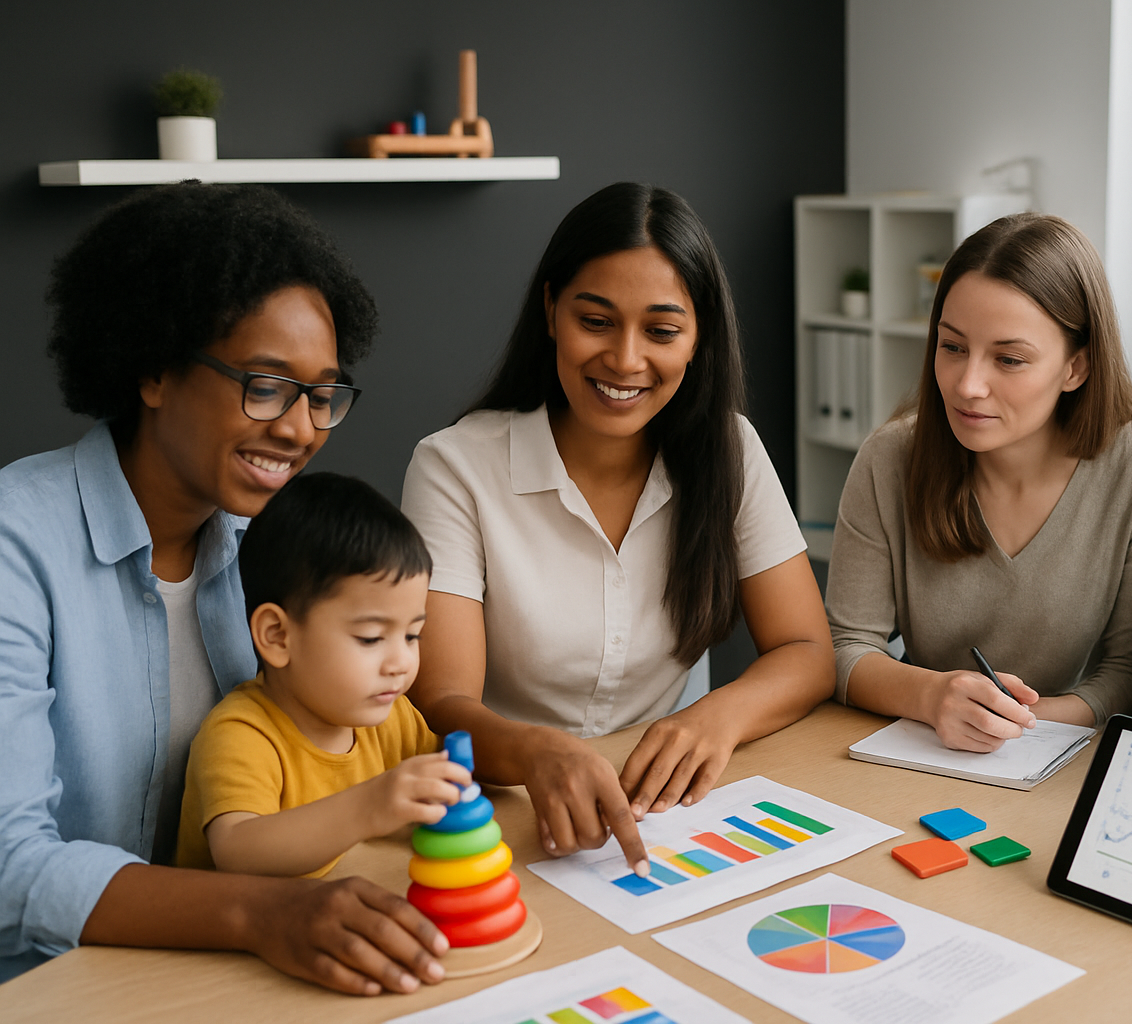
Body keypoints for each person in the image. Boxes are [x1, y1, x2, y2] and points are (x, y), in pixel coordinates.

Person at [0, 182, 452, 994]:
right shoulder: (15, 545)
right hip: (50, 989)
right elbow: (10, 870)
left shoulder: (268, 542)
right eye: (266, 384)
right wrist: (257, 913)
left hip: (232, 973)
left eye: (322, 396)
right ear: (154, 370)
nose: (300, 428)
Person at [402, 182, 834, 876]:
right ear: (551, 311)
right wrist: (538, 751)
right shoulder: (454, 465)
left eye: (661, 331)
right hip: (507, 815)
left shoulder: (730, 450)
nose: (627, 360)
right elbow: (439, 701)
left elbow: (808, 649)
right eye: (596, 321)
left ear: (698, 339)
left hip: (664, 814)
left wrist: (713, 719)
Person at [824, 213, 1132, 752]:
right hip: (923, 747)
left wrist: (1017, 726)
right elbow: (844, 646)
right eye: (951, 347)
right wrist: (931, 696)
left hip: (1072, 760)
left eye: (1009, 359)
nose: (968, 385)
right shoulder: (890, 458)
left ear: (1076, 368)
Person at [176, 473, 468, 878]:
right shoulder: (241, 734)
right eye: (370, 638)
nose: (400, 662)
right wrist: (371, 806)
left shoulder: (393, 718)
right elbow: (236, 848)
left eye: (412, 634)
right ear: (278, 636)